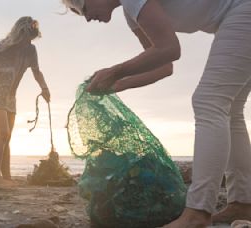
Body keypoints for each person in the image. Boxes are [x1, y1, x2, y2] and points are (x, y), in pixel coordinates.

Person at [61, 0, 251, 227]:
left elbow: (170, 49)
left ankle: (197, 214)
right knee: (229, 110)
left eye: (80, 7)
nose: (85, 16)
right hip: (234, 16)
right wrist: (116, 84)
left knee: (209, 102)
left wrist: (114, 71)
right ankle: (242, 204)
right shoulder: (132, 15)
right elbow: (164, 66)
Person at [0, 16, 51, 187]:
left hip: (10, 98)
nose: (28, 43)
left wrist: (44, 88)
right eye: (26, 38)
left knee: (7, 138)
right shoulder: (0, 48)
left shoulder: (31, 50)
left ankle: (6, 177)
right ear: (20, 33)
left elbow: (37, 72)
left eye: (31, 39)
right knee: (2, 133)